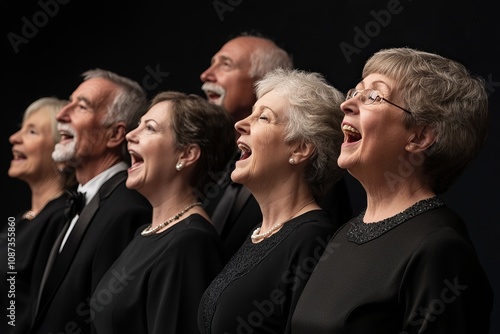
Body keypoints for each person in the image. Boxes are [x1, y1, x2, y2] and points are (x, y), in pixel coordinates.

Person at [291, 47, 494, 333]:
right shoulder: (347, 233)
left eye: (374, 96)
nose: (346, 105)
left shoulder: (440, 249)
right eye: (355, 92)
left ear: (421, 136)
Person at [197, 68, 346, 334]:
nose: (240, 124)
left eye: (263, 117)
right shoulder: (259, 234)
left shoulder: (312, 239)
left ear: (300, 149)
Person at [91, 91, 235, 333]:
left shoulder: (191, 243)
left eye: (149, 128)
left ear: (187, 154)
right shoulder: (144, 233)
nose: (129, 135)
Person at [199, 32, 353, 259]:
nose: (206, 75)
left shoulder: (315, 194)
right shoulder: (217, 163)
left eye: (225, 64)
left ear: (263, 77)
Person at [30, 69, 153, 334]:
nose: (62, 115)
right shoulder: (73, 202)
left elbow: (109, 321)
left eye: (81, 106)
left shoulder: (128, 210)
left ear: (115, 135)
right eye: (68, 103)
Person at [0, 97, 77, 334]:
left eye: (31, 131)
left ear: (60, 149)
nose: (14, 138)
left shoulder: (63, 217)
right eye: (20, 129)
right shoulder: (18, 221)